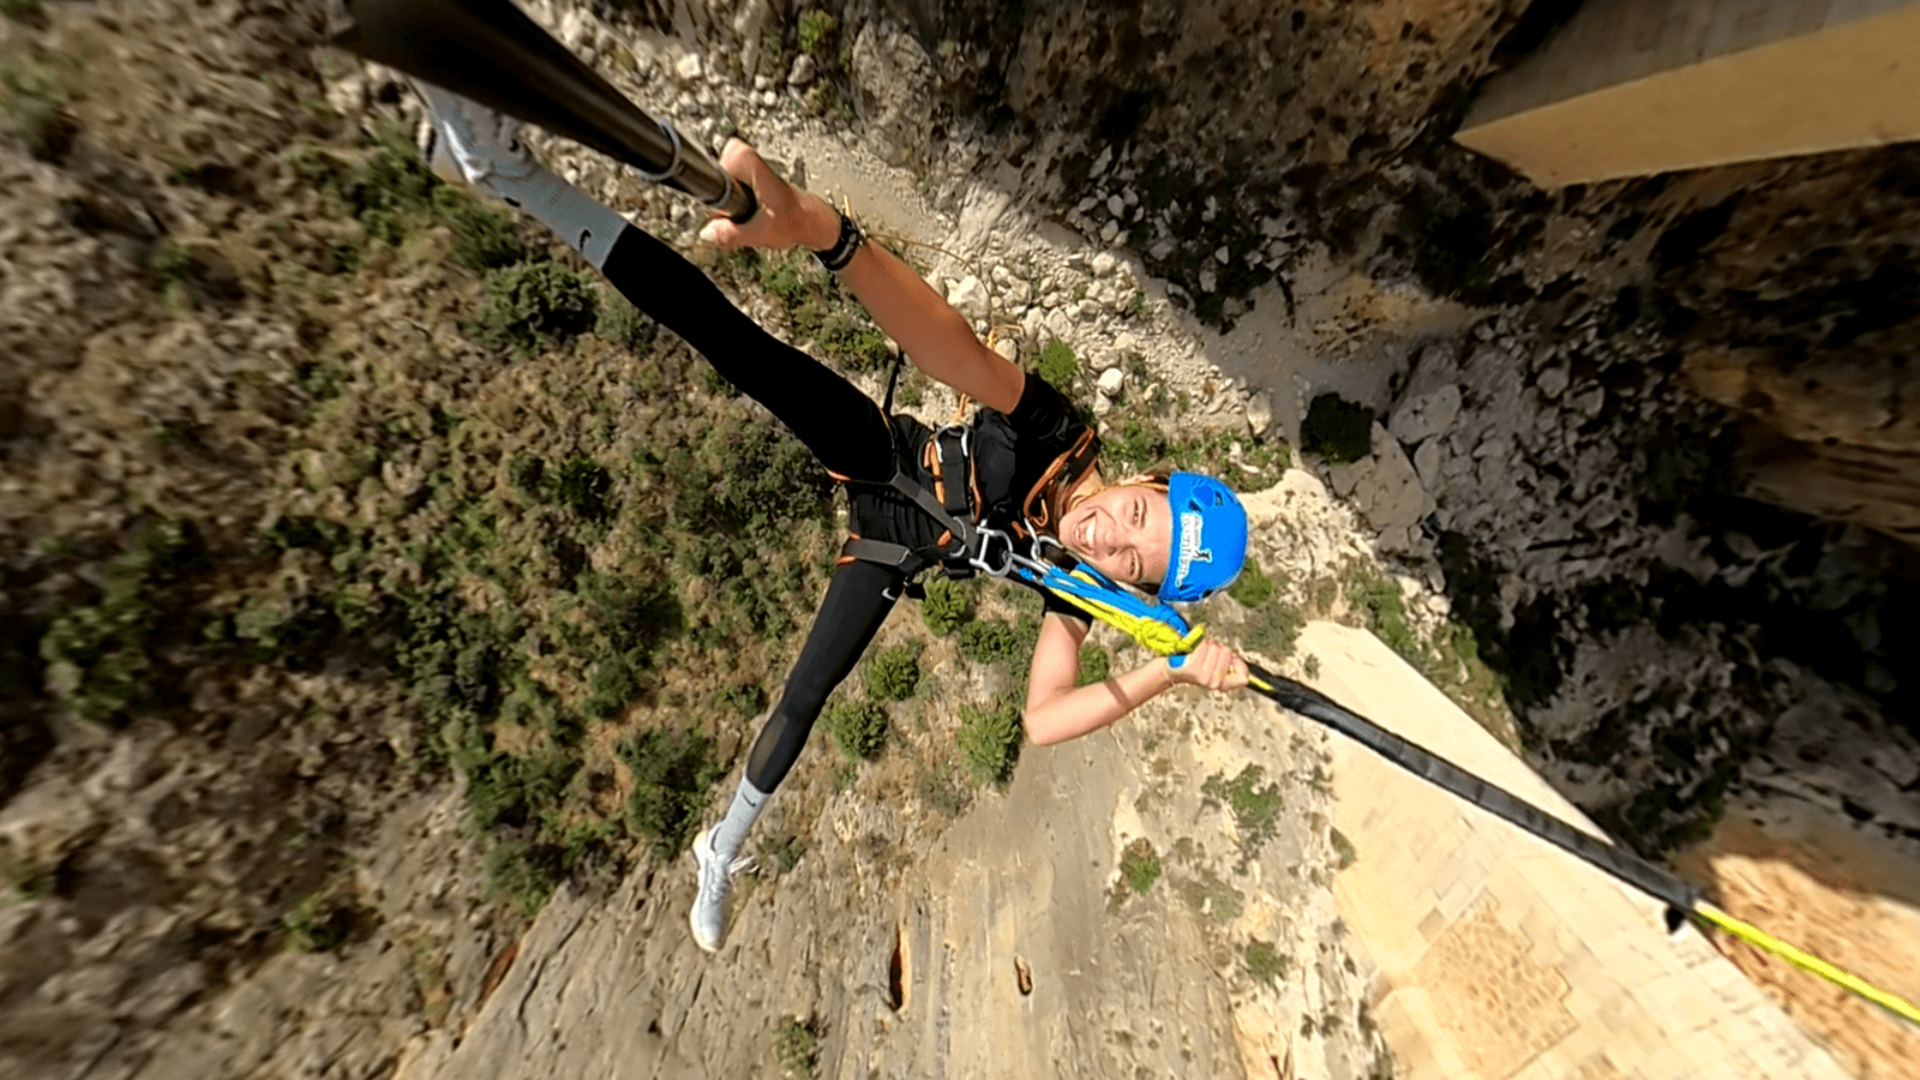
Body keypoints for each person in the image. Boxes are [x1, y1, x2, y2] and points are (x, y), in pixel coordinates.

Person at [415, 84, 1253, 954]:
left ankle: (722, 845)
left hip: (900, 547)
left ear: (1139, 587)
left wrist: (1169, 673)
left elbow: (1043, 720)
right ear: (1147, 478)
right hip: (890, 457)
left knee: (806, 695)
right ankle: (520, 177)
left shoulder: (1084, 592)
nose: (1106, 538)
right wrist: (828, 234)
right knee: (733, 343)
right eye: (1136, 513)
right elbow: (950, 347)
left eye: (1133, 560)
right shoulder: (1061, 434)